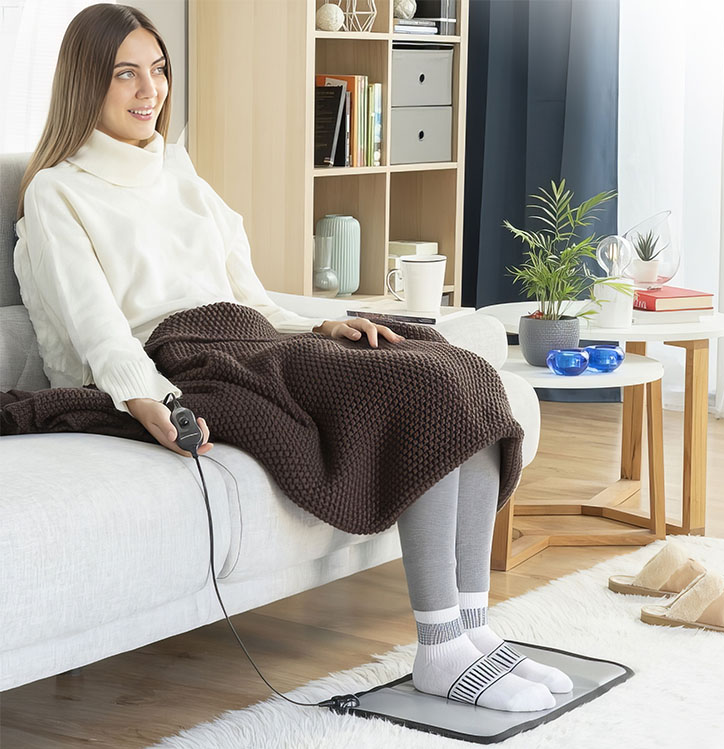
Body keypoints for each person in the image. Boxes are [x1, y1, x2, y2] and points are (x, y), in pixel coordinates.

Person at [14, 4, 572, 711]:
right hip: (187, 357)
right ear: (84, 84)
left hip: (251, 334)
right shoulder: (58, 192)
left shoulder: (176, 169)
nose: (148, 90)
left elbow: (245, 292)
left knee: (458, 366)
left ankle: (471, 629)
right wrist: (152, 401)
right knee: (424, 390)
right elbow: (98, 329)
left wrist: (321, 326)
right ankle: (438, 649)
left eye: (157, 70)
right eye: (125, 74)